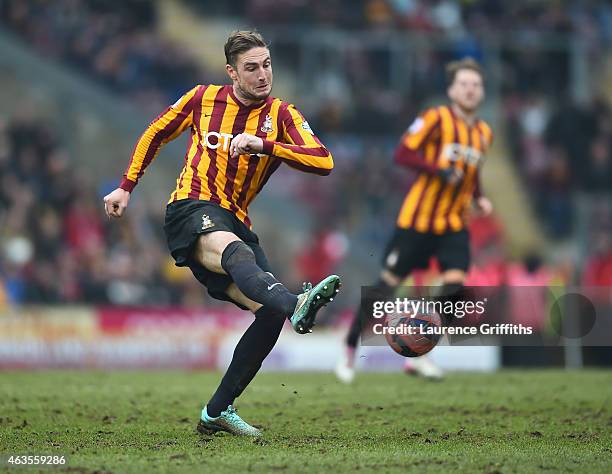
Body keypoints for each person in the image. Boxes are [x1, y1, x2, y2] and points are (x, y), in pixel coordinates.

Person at [103, 30, 341, 437]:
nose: (262, 74)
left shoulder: (282, 115)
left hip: (236, 219)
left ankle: (217, 410)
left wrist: (265, 146)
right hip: (190, 207)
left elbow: (324, 161)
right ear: (232, 72)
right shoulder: (202, 98)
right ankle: (296, 302)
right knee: (237, 254)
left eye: (267, 64)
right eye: (251, 67)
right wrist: (126, 185)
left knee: (268, 315)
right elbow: (155, 131)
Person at [336, 58, 493, 383]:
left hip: (453, 224)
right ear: (451, 90)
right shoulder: (436, 118)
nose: (470, 90)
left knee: (455, 282)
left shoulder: (483, 133)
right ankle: (349, 347)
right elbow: (403, 153)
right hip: (417, 222)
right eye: (464, 84)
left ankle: (421, 352)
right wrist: (439, 170)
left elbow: (472, 172)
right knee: (386, 288)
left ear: (482, 92)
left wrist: (479, 198)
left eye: (475, 85)